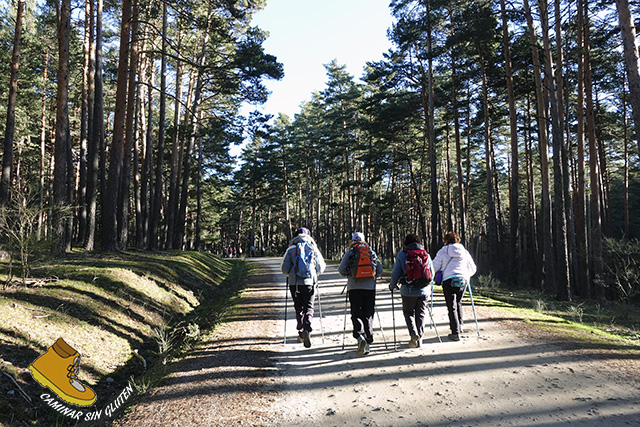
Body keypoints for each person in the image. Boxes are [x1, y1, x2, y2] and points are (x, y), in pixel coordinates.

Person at [338, 232, 384, 355]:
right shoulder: (370, 251)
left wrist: (349, 274)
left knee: (356, 313)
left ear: (352, 240)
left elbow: (341, 270)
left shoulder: (350, 252)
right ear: (364, 240)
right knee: (368, 314)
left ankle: (360, 337)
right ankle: (368, 341)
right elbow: (379, 270)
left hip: (354, 287)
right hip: (370, 288)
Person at [281, 227, 326, 348]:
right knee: (309, 307)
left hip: (294, 284)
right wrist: (313, 273)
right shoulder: (313, 248)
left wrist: (290, 275)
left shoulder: (291, 249)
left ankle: (301, 333)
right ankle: (307, 328)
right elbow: (321, 268)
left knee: (298, 307)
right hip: (309, 283)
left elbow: (284, 269)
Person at [389, 234, 435, 348]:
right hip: (424, 291)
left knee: (408, 312)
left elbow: (396, 273)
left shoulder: (402, 255)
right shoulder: (425, 254)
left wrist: (392, 285)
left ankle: (413, 334)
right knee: (421, 314)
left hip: (408, 291)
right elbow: (432, 274)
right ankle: (420, 339)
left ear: (406, 243)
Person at [432, 231, 477, 341]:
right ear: (458, 240)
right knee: (458, 303)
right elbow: (473, 268)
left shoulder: (442, 251)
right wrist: (466, 275)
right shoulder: (464, 252)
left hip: (448, 280)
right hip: (463, 280)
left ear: (446, 240)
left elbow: (434, 267)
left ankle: (455, 332)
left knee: (451, 306)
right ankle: (460, 326)